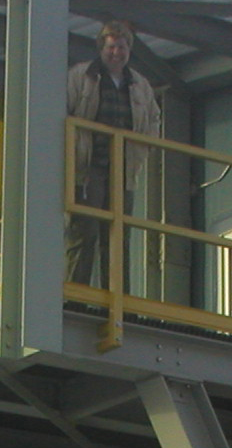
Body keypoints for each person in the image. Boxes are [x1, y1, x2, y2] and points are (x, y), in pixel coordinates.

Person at [65, 20, 162, 291]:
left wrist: (146, 146)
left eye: (121, 47)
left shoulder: (139, 85)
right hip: (89, 167)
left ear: (128, 50)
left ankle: (118, 299)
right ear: (101, 48)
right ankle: (76, 293)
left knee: (118, 236)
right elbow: (63, 111)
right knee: (86, 232)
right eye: (111, 47)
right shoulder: (81, 76)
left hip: (123, 171)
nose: (116, 53)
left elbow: (154, 119)